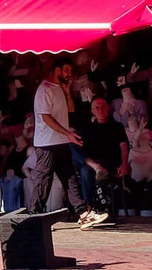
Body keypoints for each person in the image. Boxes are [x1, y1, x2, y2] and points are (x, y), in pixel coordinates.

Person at [24, 59, 105, 225]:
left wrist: (67, 91)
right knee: (44, 180)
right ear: (57, 71)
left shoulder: (59, 88)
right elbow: (46, 117)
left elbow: (70, 109)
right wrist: (68, 133)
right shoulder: (44, 89)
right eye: (66, 70)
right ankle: (33, 217)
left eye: (71, 71)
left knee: (69, 177)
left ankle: (83, 213)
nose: (69, 74)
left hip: (60, 141)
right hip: (46, 144)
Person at [75, 96, 126, 227]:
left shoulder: (117, 127)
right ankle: (89, 209)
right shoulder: (88, 128)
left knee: (87, 171)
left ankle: (92, 208)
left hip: (110, 162)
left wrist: (124, 163)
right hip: (92, 163)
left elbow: (124, 146)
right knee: (75, 150)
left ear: (108, 109)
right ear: (92, 111)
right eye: (97, 107)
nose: (100, 110)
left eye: (103, 107)